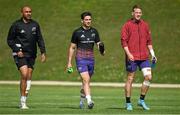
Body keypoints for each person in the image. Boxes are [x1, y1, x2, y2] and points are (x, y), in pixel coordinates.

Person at [7, 6, 46, 109]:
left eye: (30, 12)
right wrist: (17, 50)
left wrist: (43, 52)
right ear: (22, 13)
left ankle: (23, 98)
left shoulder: (35, 24)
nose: (29, 13)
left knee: (28, 77)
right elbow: (10, 40)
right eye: (26, 12)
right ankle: (23, 102)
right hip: (20, 54)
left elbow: (40, 39)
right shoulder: (16, 25)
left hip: (32, 54)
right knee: (24, 74)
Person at [120, 5, 157, 110]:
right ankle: (128, 103)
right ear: (132, 13)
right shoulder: (127, 25)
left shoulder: (145, 25)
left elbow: (149, 41)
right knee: (130, 79)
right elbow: (123, 41)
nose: (138, 14)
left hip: (144, 57)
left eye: (140, 13)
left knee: (148, 77)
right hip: (132, 57)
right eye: (136, 12)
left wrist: (153, 54)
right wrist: (128, 54)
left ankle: (141, 100)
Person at [66, 11, 105, 109]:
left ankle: (82, 100)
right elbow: (72, 47)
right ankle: (89, 101)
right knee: (86, 79)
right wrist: (69, 62)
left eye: (90, 20)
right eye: (86, 20)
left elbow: (99, 44)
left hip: (91, 59)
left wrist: (102, 50)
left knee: (85, 82)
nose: (88, 21)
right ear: (82, 21)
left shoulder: (94, 32)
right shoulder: (77, 32)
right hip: (80, 59)